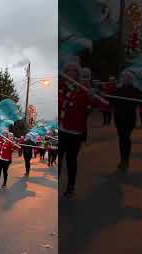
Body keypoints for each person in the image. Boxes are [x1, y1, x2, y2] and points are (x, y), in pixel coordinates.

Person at [58, 62, 89, 198]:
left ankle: (70, 187)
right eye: (68, 70)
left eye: (74, 71)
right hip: (60, 129)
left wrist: (92, 95)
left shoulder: (83, 89)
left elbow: (93, 104)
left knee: (71, 161)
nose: (70, 73)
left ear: (77, 74)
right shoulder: (60, 86)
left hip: (74, 131)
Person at [109, 71, 142, 171]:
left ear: (131, 79)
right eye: (124, 77)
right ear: (121, 79)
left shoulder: (135, 90)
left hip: (130, 118)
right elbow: (109, 100)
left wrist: (138, 97)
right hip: (119, 118)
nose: (126, 79)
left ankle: (126, 160)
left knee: (126, 137)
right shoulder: (117, 90)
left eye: (128, 78)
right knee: (121, 138)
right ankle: (122, 159)